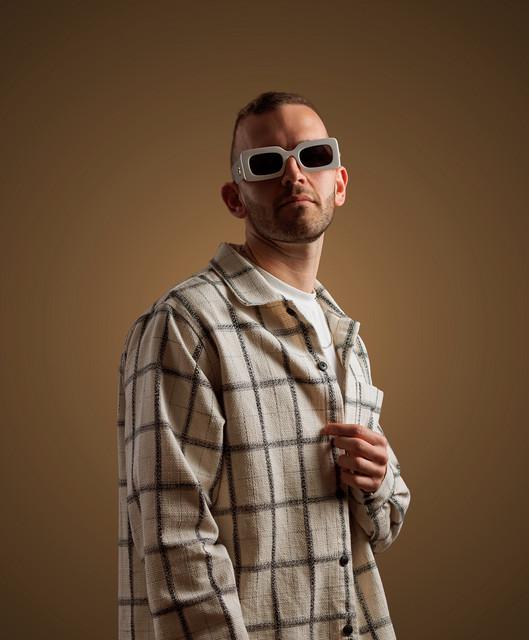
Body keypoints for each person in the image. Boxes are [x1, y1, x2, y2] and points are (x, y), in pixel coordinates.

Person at [116, 91, 411, 640]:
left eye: (313, 156)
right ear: (235, 197)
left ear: (339, 183)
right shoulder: (186, 324)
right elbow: (174, 538)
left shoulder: (344, 338)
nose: (294, 174)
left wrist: (377, 483)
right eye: (267, 163)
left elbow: (382, 526)